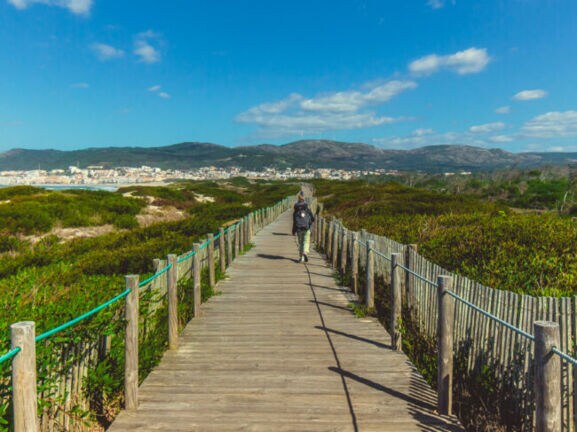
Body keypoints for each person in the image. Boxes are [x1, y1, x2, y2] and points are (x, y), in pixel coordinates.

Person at [292, 193, 315, 263]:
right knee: (306, 241)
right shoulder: (307, 209)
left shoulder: (295, 211)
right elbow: (312, 218)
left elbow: (294, 222)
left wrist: (293, 230)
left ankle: (301, 258)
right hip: (306, 228)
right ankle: (305, 252)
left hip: (299, 229)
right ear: (304, 199)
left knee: (300, 243)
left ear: (298, 199)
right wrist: (309, 222)